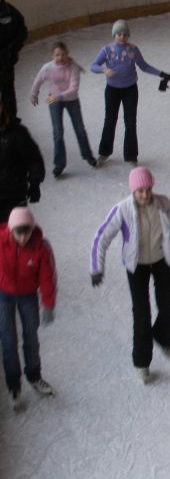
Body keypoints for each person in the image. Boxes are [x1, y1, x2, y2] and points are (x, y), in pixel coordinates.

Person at [90, 167, 170, 383]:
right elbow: (102, 237)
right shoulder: (122, 210)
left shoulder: (164, 205)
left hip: (161, 260)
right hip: (136, 266)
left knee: (169, 308)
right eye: (140, 191)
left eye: (148, 190)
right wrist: (97, 267)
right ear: (133, 191)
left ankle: (162, 338)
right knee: (142, 315)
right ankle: (142, 362)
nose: (145, 194)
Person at [90, 20, 170, 165]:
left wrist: (161, 74)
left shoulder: (133, 49)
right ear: (114, 35)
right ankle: (104, 152)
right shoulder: (107, 50)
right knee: (110, 121)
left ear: (128, 35)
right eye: (119, 34)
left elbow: (144, 66)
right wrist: (104, 69)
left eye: (125, 34)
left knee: (130, 122)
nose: (122, 37)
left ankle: (131, 156)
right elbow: (93, 66)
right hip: (112, 90)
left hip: (130, 90)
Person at [0, 207, 56, 410]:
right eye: (19, 233)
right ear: (11, 230)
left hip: (27, 296)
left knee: (31, 336)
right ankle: (13, 386)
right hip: (3, 295)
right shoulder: (1, 242)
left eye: (27, 233)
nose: (23, 238)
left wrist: (48, 304)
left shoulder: (41, 247)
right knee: (8, 340)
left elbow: (47, 277)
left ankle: (34, 375)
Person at [30, 41, 97, 178]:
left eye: (63, 54)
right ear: (52, 55)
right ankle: (59, 164)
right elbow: (38, 80)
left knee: (79, 129)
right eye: (57, 55)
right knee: (58, 132)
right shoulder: (48, 68)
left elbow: (73, 89)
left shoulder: (73, 68)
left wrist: (57, 97)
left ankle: (88, 155)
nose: (60, 57)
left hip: (71, 100)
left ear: (67, 54)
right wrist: (34, 94)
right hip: (54, 100)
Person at [0, 98, 45, 223]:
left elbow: (34, 159)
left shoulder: (18, 133)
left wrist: (35, 183)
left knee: (16, 232)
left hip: (14, 196)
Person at [0, 0, 28, 120]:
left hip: (5, 62)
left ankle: (10, 121)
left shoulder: (10, 12)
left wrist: (11, 50)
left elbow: (22, 32)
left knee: (8, 93)